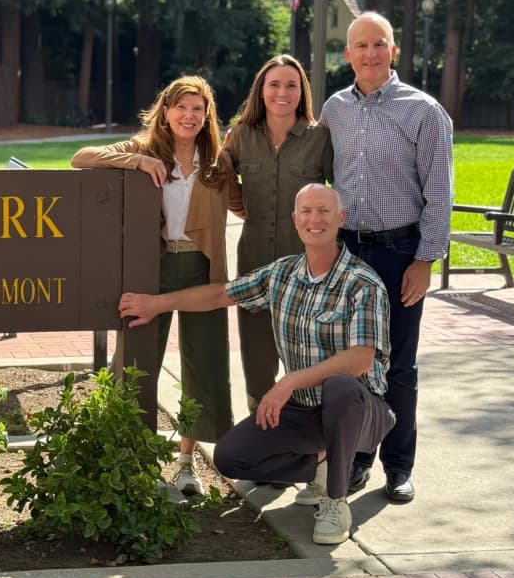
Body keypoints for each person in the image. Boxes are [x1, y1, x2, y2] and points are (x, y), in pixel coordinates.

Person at [118, 184, 395, 545]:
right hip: (304, 411)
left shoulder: (362, 282)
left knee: (340, 386)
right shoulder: (282, 274)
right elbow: (220, 294)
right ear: (295, 220)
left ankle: (335, 501)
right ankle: (322, 462)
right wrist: (156, 304)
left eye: (324, 211)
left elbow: (360, 358)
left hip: (361, 411)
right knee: (231, 457)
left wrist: (289, 381)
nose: (315, 219)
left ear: (341, 218)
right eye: (307, 211)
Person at [71, 75, 236, 495]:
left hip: (202, 267)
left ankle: (186, 462)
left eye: (198, 109)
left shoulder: (217, 162)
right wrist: (137, 162)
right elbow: (81, 157)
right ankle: (128, 458)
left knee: (204, 366)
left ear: (207, 116)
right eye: (181, 107)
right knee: (135, 361)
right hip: (153, 267)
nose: (189, 115)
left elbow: (241, 202)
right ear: (165, 111)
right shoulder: (144, 148)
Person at [319, 11, 454, 504]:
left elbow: (440, 194)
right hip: (347, 253)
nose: (370, 53)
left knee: (398, 365)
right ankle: (357, 459)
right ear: (348, 54)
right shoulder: (334, 109)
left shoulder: (424, 111)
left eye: (379, 44)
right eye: (361, 45)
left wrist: (426, 260)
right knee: (351, 364)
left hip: (401, 253)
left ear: (393, 50)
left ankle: (398, 467)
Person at [226, 54, 333, 413]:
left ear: (302, 93)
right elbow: (222, 179)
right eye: (274, 84)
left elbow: (339, 194)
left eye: (291, 85)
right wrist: (243, 208)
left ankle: (306, 427)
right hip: (253, 257)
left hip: (305, 264)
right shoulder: (241, 136)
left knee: (305, 349)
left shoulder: (320, 137)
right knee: (256, 351)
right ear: (261, 90)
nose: (282, 93)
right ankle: (261, 423)